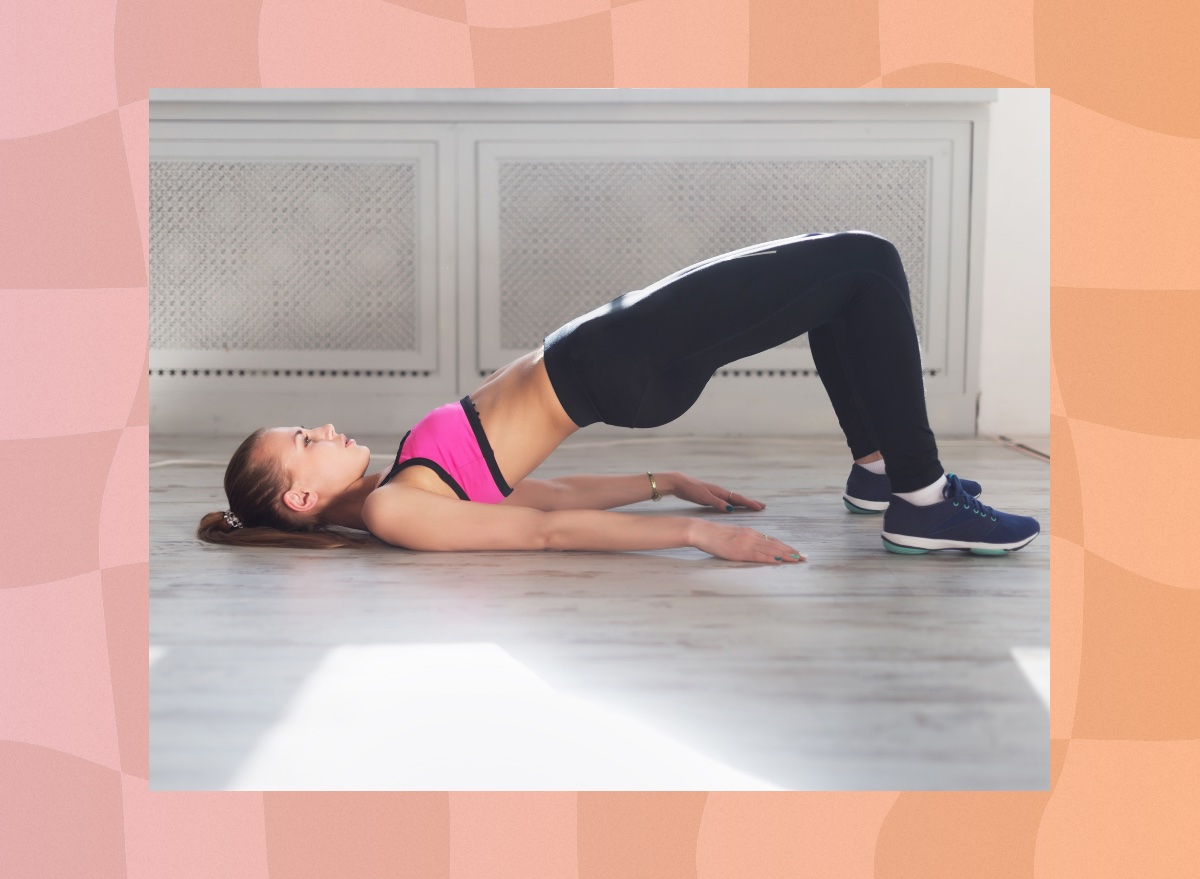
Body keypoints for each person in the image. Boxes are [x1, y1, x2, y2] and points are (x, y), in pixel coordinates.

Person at [198, 231, 1040, 562]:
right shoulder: (393, 513)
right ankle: (919, 498)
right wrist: (696, 539)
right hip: (624, 358)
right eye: (306, 438)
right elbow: (544, 531)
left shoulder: (393, 495)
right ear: (302, 495)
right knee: (865, 264)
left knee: (850, 279)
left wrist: (662, 482)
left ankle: (879, 470)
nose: (326, 427)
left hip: (617, 350)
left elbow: (544, 491)